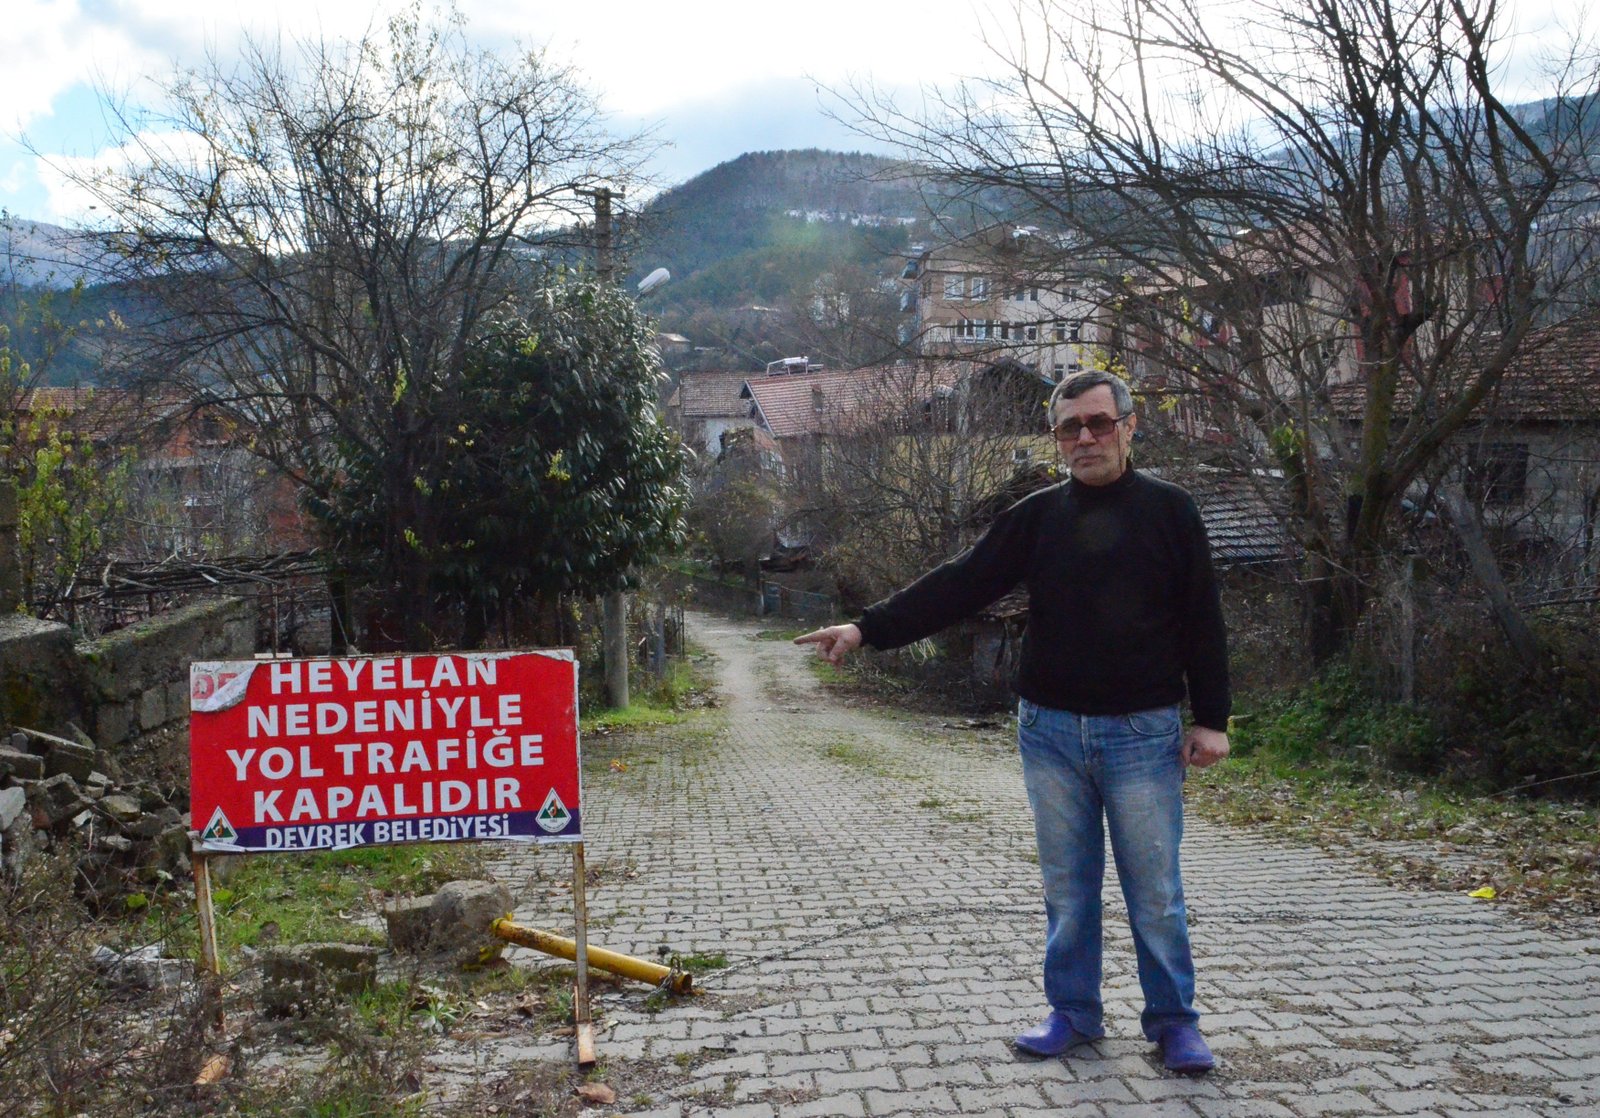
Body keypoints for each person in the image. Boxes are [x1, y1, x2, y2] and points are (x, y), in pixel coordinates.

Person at [795, 369, 1230, 1074]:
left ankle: (1175, 1023)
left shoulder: (1171, 512)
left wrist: (1212, 718)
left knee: (1155, 891)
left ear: (1129, 425)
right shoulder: (1036, 517)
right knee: (1067, 885)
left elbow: (1203, 619)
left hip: (1143, 734)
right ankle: (1075, 1014)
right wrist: (866, 629)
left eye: (1098, 422)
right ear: (1056, 438)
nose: (1084, 437)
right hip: (1051, 732)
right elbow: (960, 581)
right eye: (1069, 427)